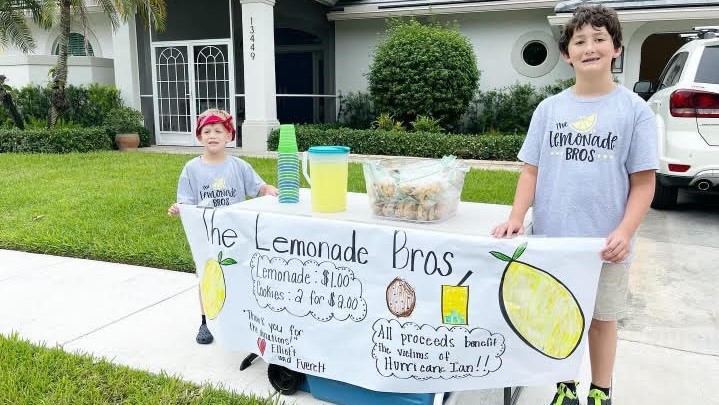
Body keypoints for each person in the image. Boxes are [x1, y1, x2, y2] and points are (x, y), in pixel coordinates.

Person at [491, 5, 658, 405]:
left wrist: (625, 231)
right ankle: (565, 387)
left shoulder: (634, 112)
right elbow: (531, 171)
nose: (590, 47)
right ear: (567, 54)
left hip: (606, 247)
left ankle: (601, 391)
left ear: (616, 48)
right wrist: (517, 216)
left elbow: (644, 183)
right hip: (555, 242)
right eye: (579, 41)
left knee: (602, 321)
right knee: (558, 319)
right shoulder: (549, 110)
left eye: (600, 39)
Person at [168, 108, 278, 344]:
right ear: (199, 137)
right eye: (206, 131)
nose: (212, 135)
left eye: (218, 130)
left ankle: (239, 316)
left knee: (238, 272)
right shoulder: (192, 169)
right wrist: (179, 208)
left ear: (229, 135)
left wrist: (268, 189)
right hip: (207, 234)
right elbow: (185, 202)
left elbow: (257, 187)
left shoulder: (239, 166)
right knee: (208, 276)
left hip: (235, 234)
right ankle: (206, 320)